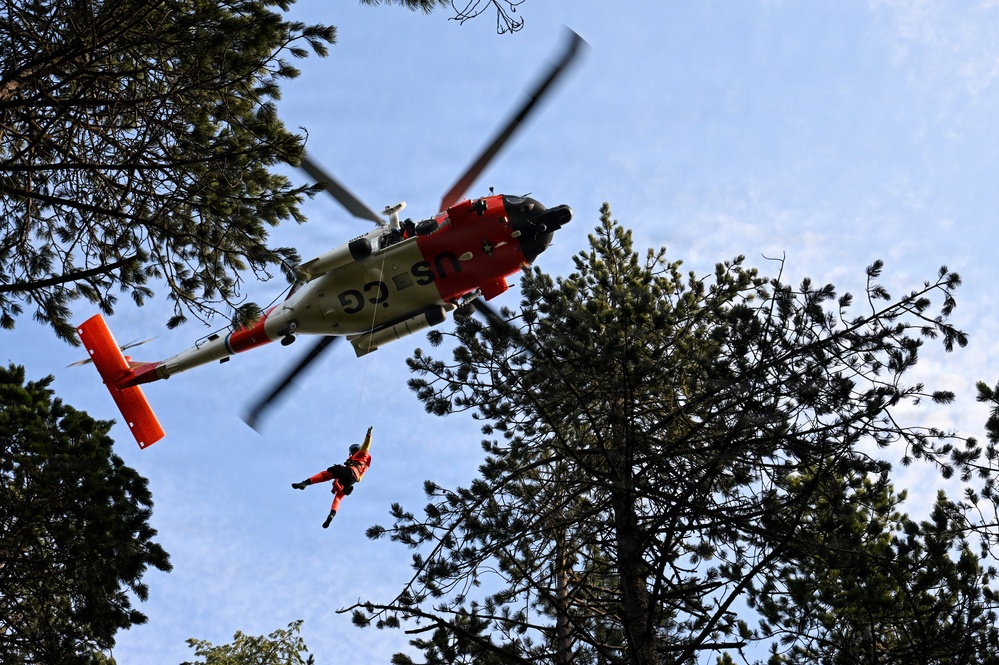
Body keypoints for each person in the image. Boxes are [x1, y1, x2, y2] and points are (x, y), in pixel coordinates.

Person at [292, 426, 373, 528]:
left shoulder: (361, 454)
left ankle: (305, 483)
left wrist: (368, 434)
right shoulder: (364, 467)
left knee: (326, 474)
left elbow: (366, 445)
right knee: (338, 498)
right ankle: (332, 514)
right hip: (352, 481)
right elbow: (359, 479)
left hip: (349, 471)